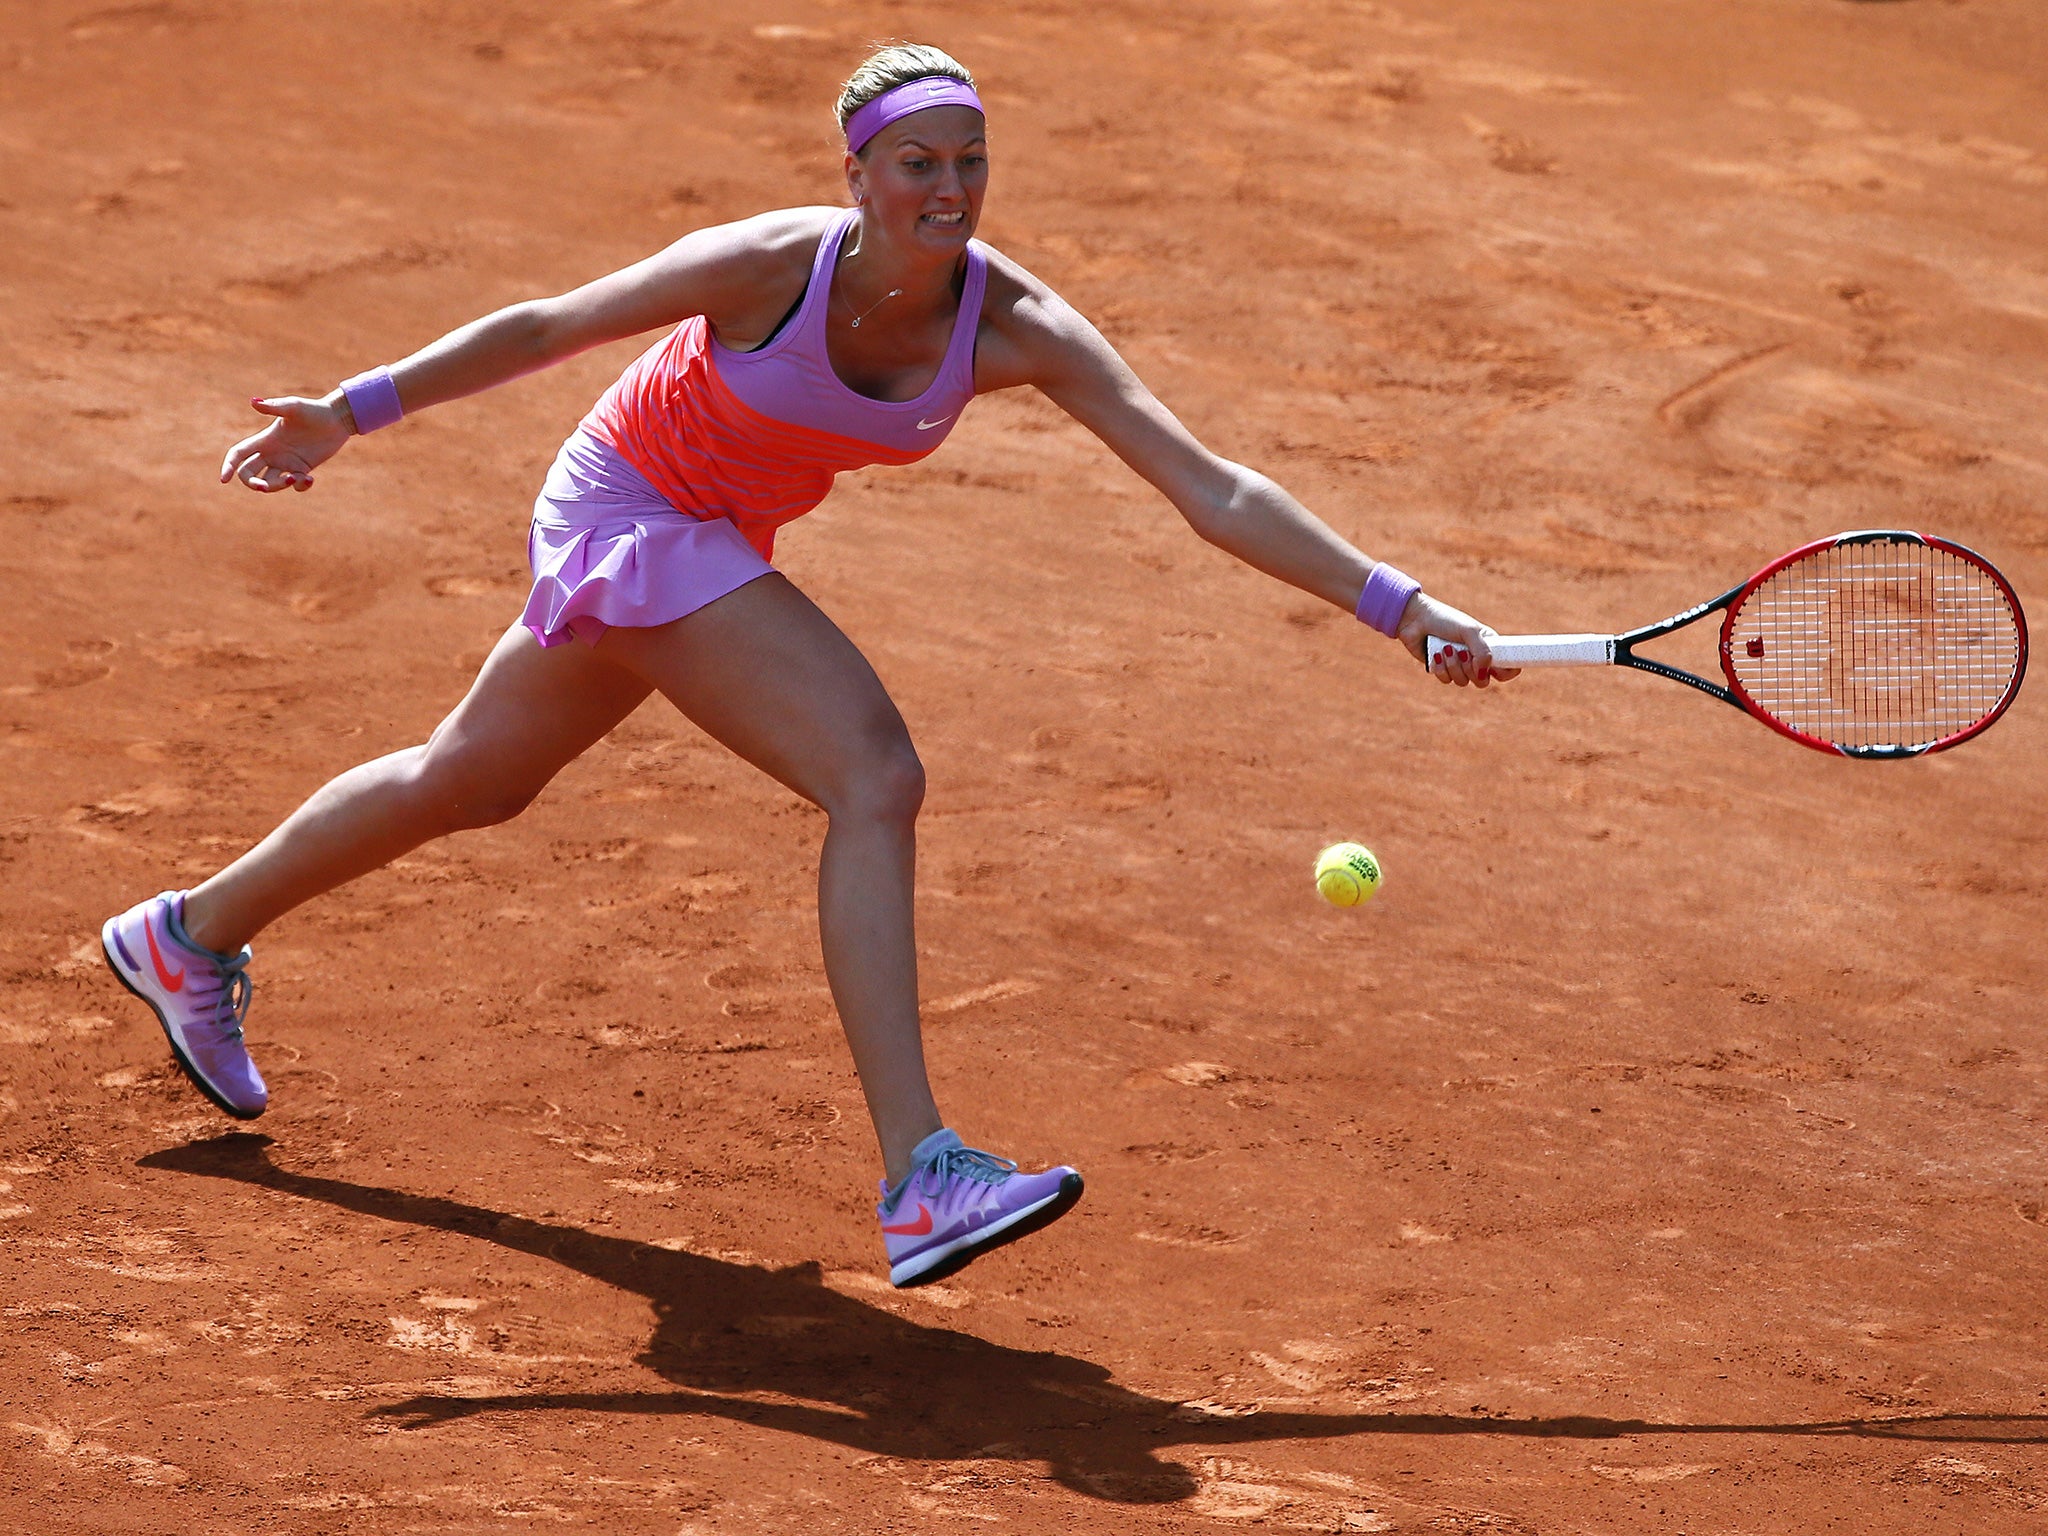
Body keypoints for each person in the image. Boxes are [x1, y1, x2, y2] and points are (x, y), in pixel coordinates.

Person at [100, 43, 1514, 1290]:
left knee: (470, 779)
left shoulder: (1013, 324)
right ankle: (922, 1179)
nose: (949, 190)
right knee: (874, 771)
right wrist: (347, 414)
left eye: (970, 161)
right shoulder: (771, 264)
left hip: (716, 526)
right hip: (627, 506)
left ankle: (189, 934)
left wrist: (1400, 606)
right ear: (857, 174)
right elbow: (549, 324)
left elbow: (1211, 487)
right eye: (917, 163)